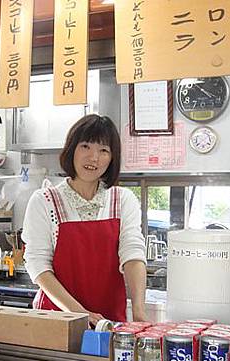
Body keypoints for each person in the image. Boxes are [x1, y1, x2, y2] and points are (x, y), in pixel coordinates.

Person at [22, 114, 148, 326]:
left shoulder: (123, 200)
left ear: (112, 158)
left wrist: (138, 312)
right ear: (72, 149)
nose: (94, 158)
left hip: (108, 322)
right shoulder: (44, 200)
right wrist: (79, 313)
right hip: (56, 321)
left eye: (103, 150)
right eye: (86, 146)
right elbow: (37, 264)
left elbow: (133, 253)